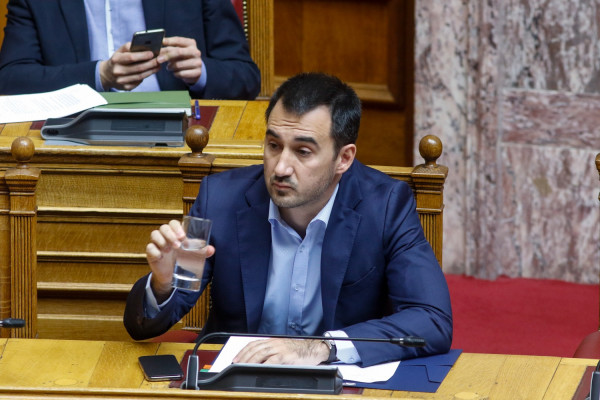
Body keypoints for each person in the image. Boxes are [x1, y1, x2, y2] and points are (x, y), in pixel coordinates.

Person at [123, 72, 453, 367]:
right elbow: (147, 322)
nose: (280, 167)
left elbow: (432, 320)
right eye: (273, 145)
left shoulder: (385, 206)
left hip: (338, 383)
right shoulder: (218, 199)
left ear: (344, 158)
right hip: (239, 381)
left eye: (303, 151)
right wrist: (163, 285)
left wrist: (322, 347)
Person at [0, 0, 260, 99]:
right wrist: (100, 75)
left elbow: (246, 78)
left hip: (181, 140)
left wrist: (201, 72)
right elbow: (9, 79)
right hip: (71, 140)